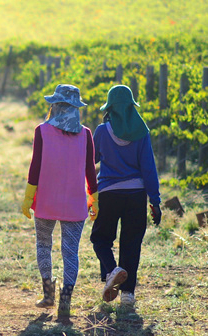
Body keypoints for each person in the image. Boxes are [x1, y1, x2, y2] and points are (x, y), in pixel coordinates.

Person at [21, 84, 97, 321]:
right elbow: (89, 170)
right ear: (76, 108)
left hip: (45, 201)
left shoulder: (41, 131)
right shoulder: (85, 134)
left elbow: (35, 167)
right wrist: (94, 197)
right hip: (75, 204)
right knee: (70, 252)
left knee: (43, 245)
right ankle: (65, 300)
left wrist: (28, 197)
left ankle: (48, 294)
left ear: (54, 105)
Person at [91, 84, 161, 308]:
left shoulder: (102, 131)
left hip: (109, 194)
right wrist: (155, 201)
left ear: (110, 108)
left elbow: (90, 161)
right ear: (132, 107)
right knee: (131, 243)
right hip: (136, 195)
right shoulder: (142, 132)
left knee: (100, 238)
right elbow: (149, 168)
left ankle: (113, 271)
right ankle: (128, 295)